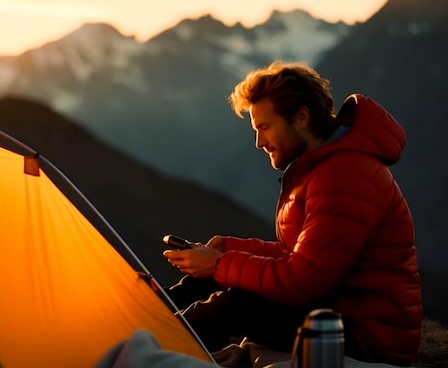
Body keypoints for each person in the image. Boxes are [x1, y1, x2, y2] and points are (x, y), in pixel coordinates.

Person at [163, 61, 422, 366]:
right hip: (334, 311)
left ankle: (159, 342)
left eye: (265, 127)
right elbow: (298, 254)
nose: (259, 142)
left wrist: (220, 265)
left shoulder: (345, 176)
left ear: (300, 117)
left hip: (366, 336)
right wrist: (227, 250)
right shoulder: (322, 166)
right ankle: (157, 312)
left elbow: (303, 279)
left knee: (240, 303)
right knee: (214, 277)